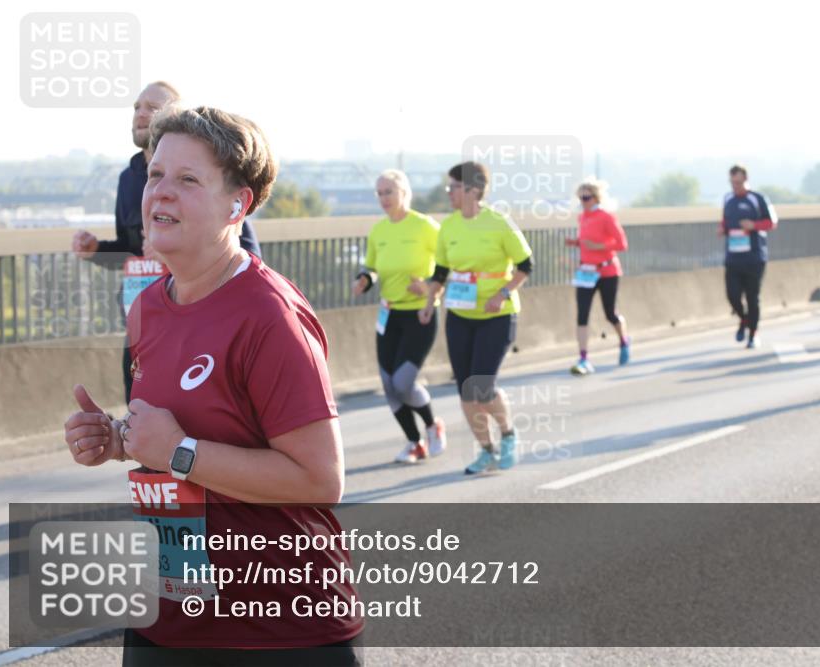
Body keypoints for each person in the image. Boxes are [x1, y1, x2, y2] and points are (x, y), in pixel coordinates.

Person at [62, 106, 362, 665]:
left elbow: (320, 480)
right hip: (168, 617)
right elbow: (176, 433)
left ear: (237, 205)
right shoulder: (149, 306)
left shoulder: (269, 314)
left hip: (278, 630)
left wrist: (179, 452)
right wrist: (117, 439)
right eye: (155, 175)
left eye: (188, 179)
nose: (161, 193)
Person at [71, 82, 261, 404]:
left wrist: (172, 248)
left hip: (196, 325)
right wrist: (97, 251)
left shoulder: (209, 173)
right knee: (140, 420)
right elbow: (132, 251)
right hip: (143, 320)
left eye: (152, 108)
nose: (141, 114)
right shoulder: (129, 178)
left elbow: (246, 253)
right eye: (136, 107)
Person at [419, 162, 533, 475]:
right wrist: (430, 302)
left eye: (453, 187)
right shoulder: (450, 226)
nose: (449, 193)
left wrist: (502, 294)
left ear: (472, 189)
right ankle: (486, 450)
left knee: (481, 384)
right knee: (466, 389)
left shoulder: (498, 223)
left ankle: (508, 434)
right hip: (459, 313)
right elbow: (440, 272)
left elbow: (526, 265)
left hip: (497, 314)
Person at [353, 169, 447, 464]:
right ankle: (414, 443)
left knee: (403, 383)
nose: (383, 198)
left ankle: (432, 425)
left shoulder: (425, 227)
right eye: (379, 193)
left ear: (404, 193)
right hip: (389, 315)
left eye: (389, 192)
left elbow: (448, 265)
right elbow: (371, 267)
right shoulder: (379, 231)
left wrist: (430, 287)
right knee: (388, 386)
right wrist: (364, 280)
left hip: (419, 313)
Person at [564, 179, 630, 375]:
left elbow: (622, 244)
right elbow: (586, 241)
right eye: (580, 198)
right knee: (582, 314)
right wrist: (576, 243)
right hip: (586, 272)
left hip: (607, 271)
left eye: (586, 197)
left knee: (610, 313)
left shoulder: (606, 217)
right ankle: (583, 358)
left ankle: (624, 341)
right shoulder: (582, 218)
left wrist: (599, 247)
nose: (583, 201)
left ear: (596, 197)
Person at [718, 164, 778, 348]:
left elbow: (772, 222)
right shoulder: (728, 198)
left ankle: (753, 334)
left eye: (738, 182)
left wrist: (753, 225)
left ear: (745, 179)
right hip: (733, 257)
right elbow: (725, 222)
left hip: (754, 257)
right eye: (732, 182)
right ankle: (744, 320)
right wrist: (723, 230)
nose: (735, 186)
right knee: (732, 295)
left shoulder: (758, 198)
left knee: (753, 297)